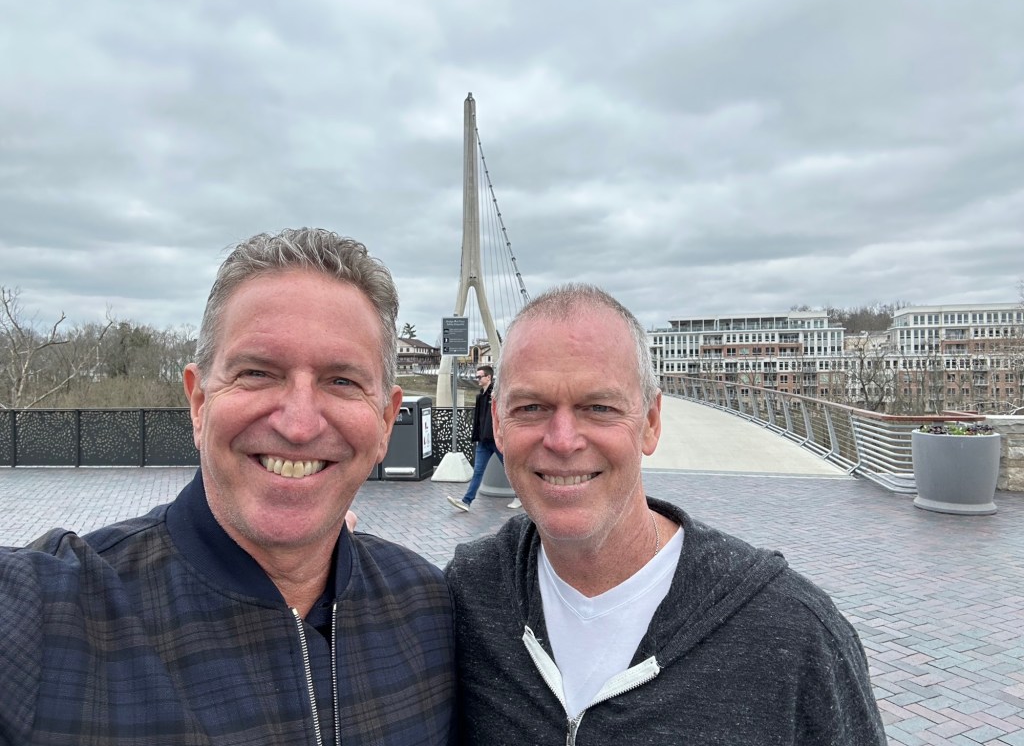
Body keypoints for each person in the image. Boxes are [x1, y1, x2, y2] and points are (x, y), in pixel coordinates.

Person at [0, 228, 456, 745]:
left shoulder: (427, 608)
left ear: (385, 421)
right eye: (258, 373)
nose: (299, 425)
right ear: (199, 404)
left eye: (342, 381)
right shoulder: (52, 615)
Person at [444, 283, 886, 745]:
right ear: (498, 424)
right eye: (531, 407)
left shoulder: (793, 632)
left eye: (599, 407)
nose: (562, 440)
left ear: (651, 423)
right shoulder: (468, 594)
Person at [446, 364, 520, 510]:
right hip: (483, 441)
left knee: (510, 469)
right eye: (477, 377)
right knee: (478, 471)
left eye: (480, 377)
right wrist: (477, 436)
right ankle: (466, 501)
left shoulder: (497, 394)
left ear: (488, 377)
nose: (477, 379)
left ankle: (520, 497)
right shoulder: (480, 396)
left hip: (496, 440)